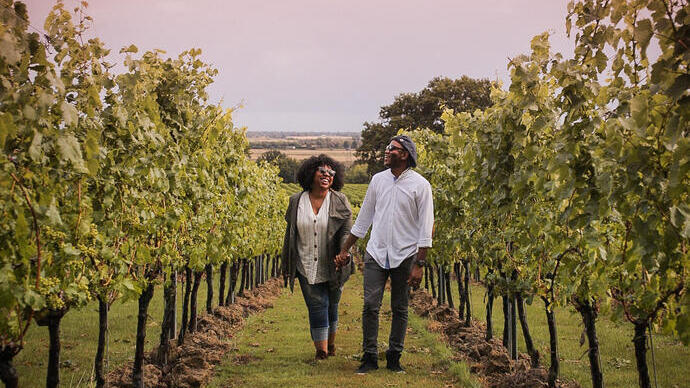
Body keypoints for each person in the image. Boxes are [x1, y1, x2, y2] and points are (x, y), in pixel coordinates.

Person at [335, 135, 433, 374]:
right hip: (376, 253)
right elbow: (364, 218)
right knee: (370, 305)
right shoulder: (378, 180)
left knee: (400, 307)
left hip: (405, 254)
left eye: (393, 149)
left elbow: (425, 226)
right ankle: (369, 356)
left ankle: (394, 357)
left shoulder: (421, 185)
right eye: (388, 147)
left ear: (406, 154)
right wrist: (345, 249)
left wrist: (419, 263)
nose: (387, 151)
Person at [282, 154, 354, 360]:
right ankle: (321, 351)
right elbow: (291, 233)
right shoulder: (296, 201)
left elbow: (346, 232)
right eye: (321, 171)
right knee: (316, 304)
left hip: (334, 264)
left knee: (332, 303)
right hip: (305, 261)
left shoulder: (340, 200)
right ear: (310, 173)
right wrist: (287, 262)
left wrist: (343, 253)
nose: (326, 175)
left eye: (331, 172)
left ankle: (330, 345)